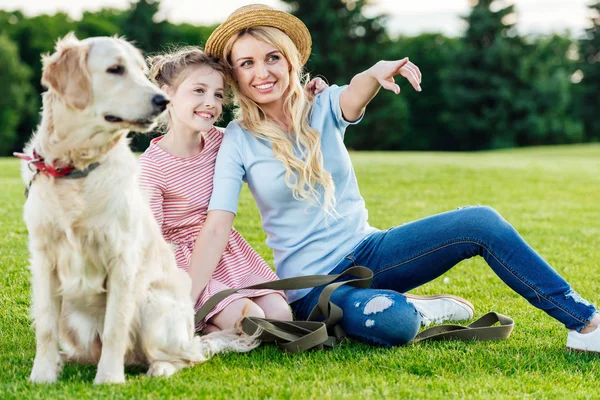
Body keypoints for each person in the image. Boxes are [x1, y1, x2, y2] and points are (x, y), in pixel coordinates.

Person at [200, 5, 600, 350]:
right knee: (392, 322)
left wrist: (374, 73)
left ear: (290, 60)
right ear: (234, 75)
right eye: (247, 63)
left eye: (271, 57)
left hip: (372, 251)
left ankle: (585, 323)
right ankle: (418, 309)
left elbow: (354, 93)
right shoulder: (236, 141)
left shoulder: (321, 104)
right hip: (316, 289)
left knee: (481, 222)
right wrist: (189, 302)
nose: (262, 72)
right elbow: (217, 226)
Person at [140, 47, 299, 333]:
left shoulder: (224, 141)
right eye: (198, 91)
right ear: (166, 95)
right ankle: (202, 327)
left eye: (217, 94)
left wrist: (308, 95)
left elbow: (277, 128)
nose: (210, 102)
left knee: (280, 315)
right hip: (182, 262)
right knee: (249, 320)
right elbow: (148, 242)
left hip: (227, 252)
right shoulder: (151, 167)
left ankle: (210, 326)